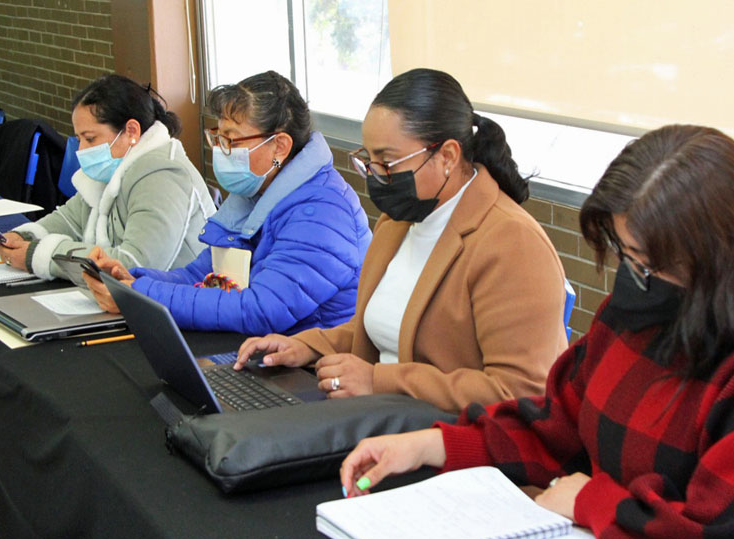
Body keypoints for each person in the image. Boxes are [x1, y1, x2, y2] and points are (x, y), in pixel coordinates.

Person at [339, 125, 734, 539]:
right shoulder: (646, 306)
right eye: (628, 256)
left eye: (649, 263)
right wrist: (433, 445)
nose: (633, 277)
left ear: (723, 257)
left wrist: (590, 501)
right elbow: (561, 422)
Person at [235, 69, 568, 411]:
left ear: (448, 157)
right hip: (389, 417)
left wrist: (379, 381)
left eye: (388, 162)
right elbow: (381, 329)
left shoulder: (513, 243)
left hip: (459, 442)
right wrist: (307, 346)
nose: (377, 176)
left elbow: (520, 393)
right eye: (370, 161)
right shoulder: (398, 222)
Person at [83, 71, 372, 335]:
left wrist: (143, 295)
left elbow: (263, 309)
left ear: (279, 147)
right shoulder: (255, 193)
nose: (221, 152)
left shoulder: (322, 213)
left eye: (232, 141)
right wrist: (131, 281)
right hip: (263, 349)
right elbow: (203, 276)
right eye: (218, 138)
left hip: (312, 369)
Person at [0, 74, 215, 281]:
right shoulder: (115, 165)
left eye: (90, 139)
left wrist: (40, 255)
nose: (81, 149)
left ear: (131, 131)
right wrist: (24, 237)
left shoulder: (164, 176)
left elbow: (133, 265)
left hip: (179, 308)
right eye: (79, 138)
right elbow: (70, 220)